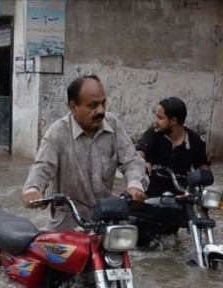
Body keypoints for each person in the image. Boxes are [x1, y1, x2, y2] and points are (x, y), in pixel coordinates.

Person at [22, 75, 148, 230]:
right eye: (93, 105)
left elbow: (132, 160)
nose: (101, 110)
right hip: (67, 225)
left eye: (103, 103)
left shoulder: (112, 124)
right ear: (73, 107)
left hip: (105, 222)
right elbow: (42, 166)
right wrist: (32, 190)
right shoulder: (58, 132)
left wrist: (134, 185)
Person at [136, 97, 211, 197]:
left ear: (173, 121)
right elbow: (140, 151)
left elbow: (202, 165)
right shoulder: (153, 134)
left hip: (180, 197)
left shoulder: (195, 141)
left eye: (160, 118)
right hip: (150, 195)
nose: (156, 121)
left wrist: (205, 176)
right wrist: (142, 162)